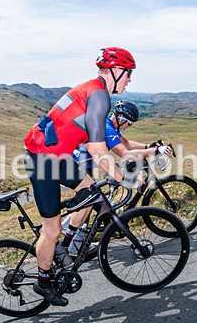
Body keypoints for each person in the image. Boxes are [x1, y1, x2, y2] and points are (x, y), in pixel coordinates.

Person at [23, 47, 136, 306]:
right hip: (42, 160)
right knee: (50, 229)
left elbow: (100, 141)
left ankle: (68, 248)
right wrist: (120, 176)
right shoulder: (98, 95)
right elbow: (97, 149)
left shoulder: (94, 90)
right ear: (116, 71)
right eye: (128, 74)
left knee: (92, 193)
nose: (130, 80)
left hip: (57, 156)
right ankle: (43, 281)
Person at [65, 100, 173, 254]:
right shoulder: (107, 128)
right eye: (129, 124)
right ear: (121, 118)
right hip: (72, 164)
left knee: (90, 199)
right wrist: (155, 152)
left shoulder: (110, 125)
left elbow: (128, 144)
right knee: (90, 198)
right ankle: (70, 238)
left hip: (84, 163)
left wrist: (149, 146)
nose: (129, 126)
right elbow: (125, 153)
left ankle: (76, 238)